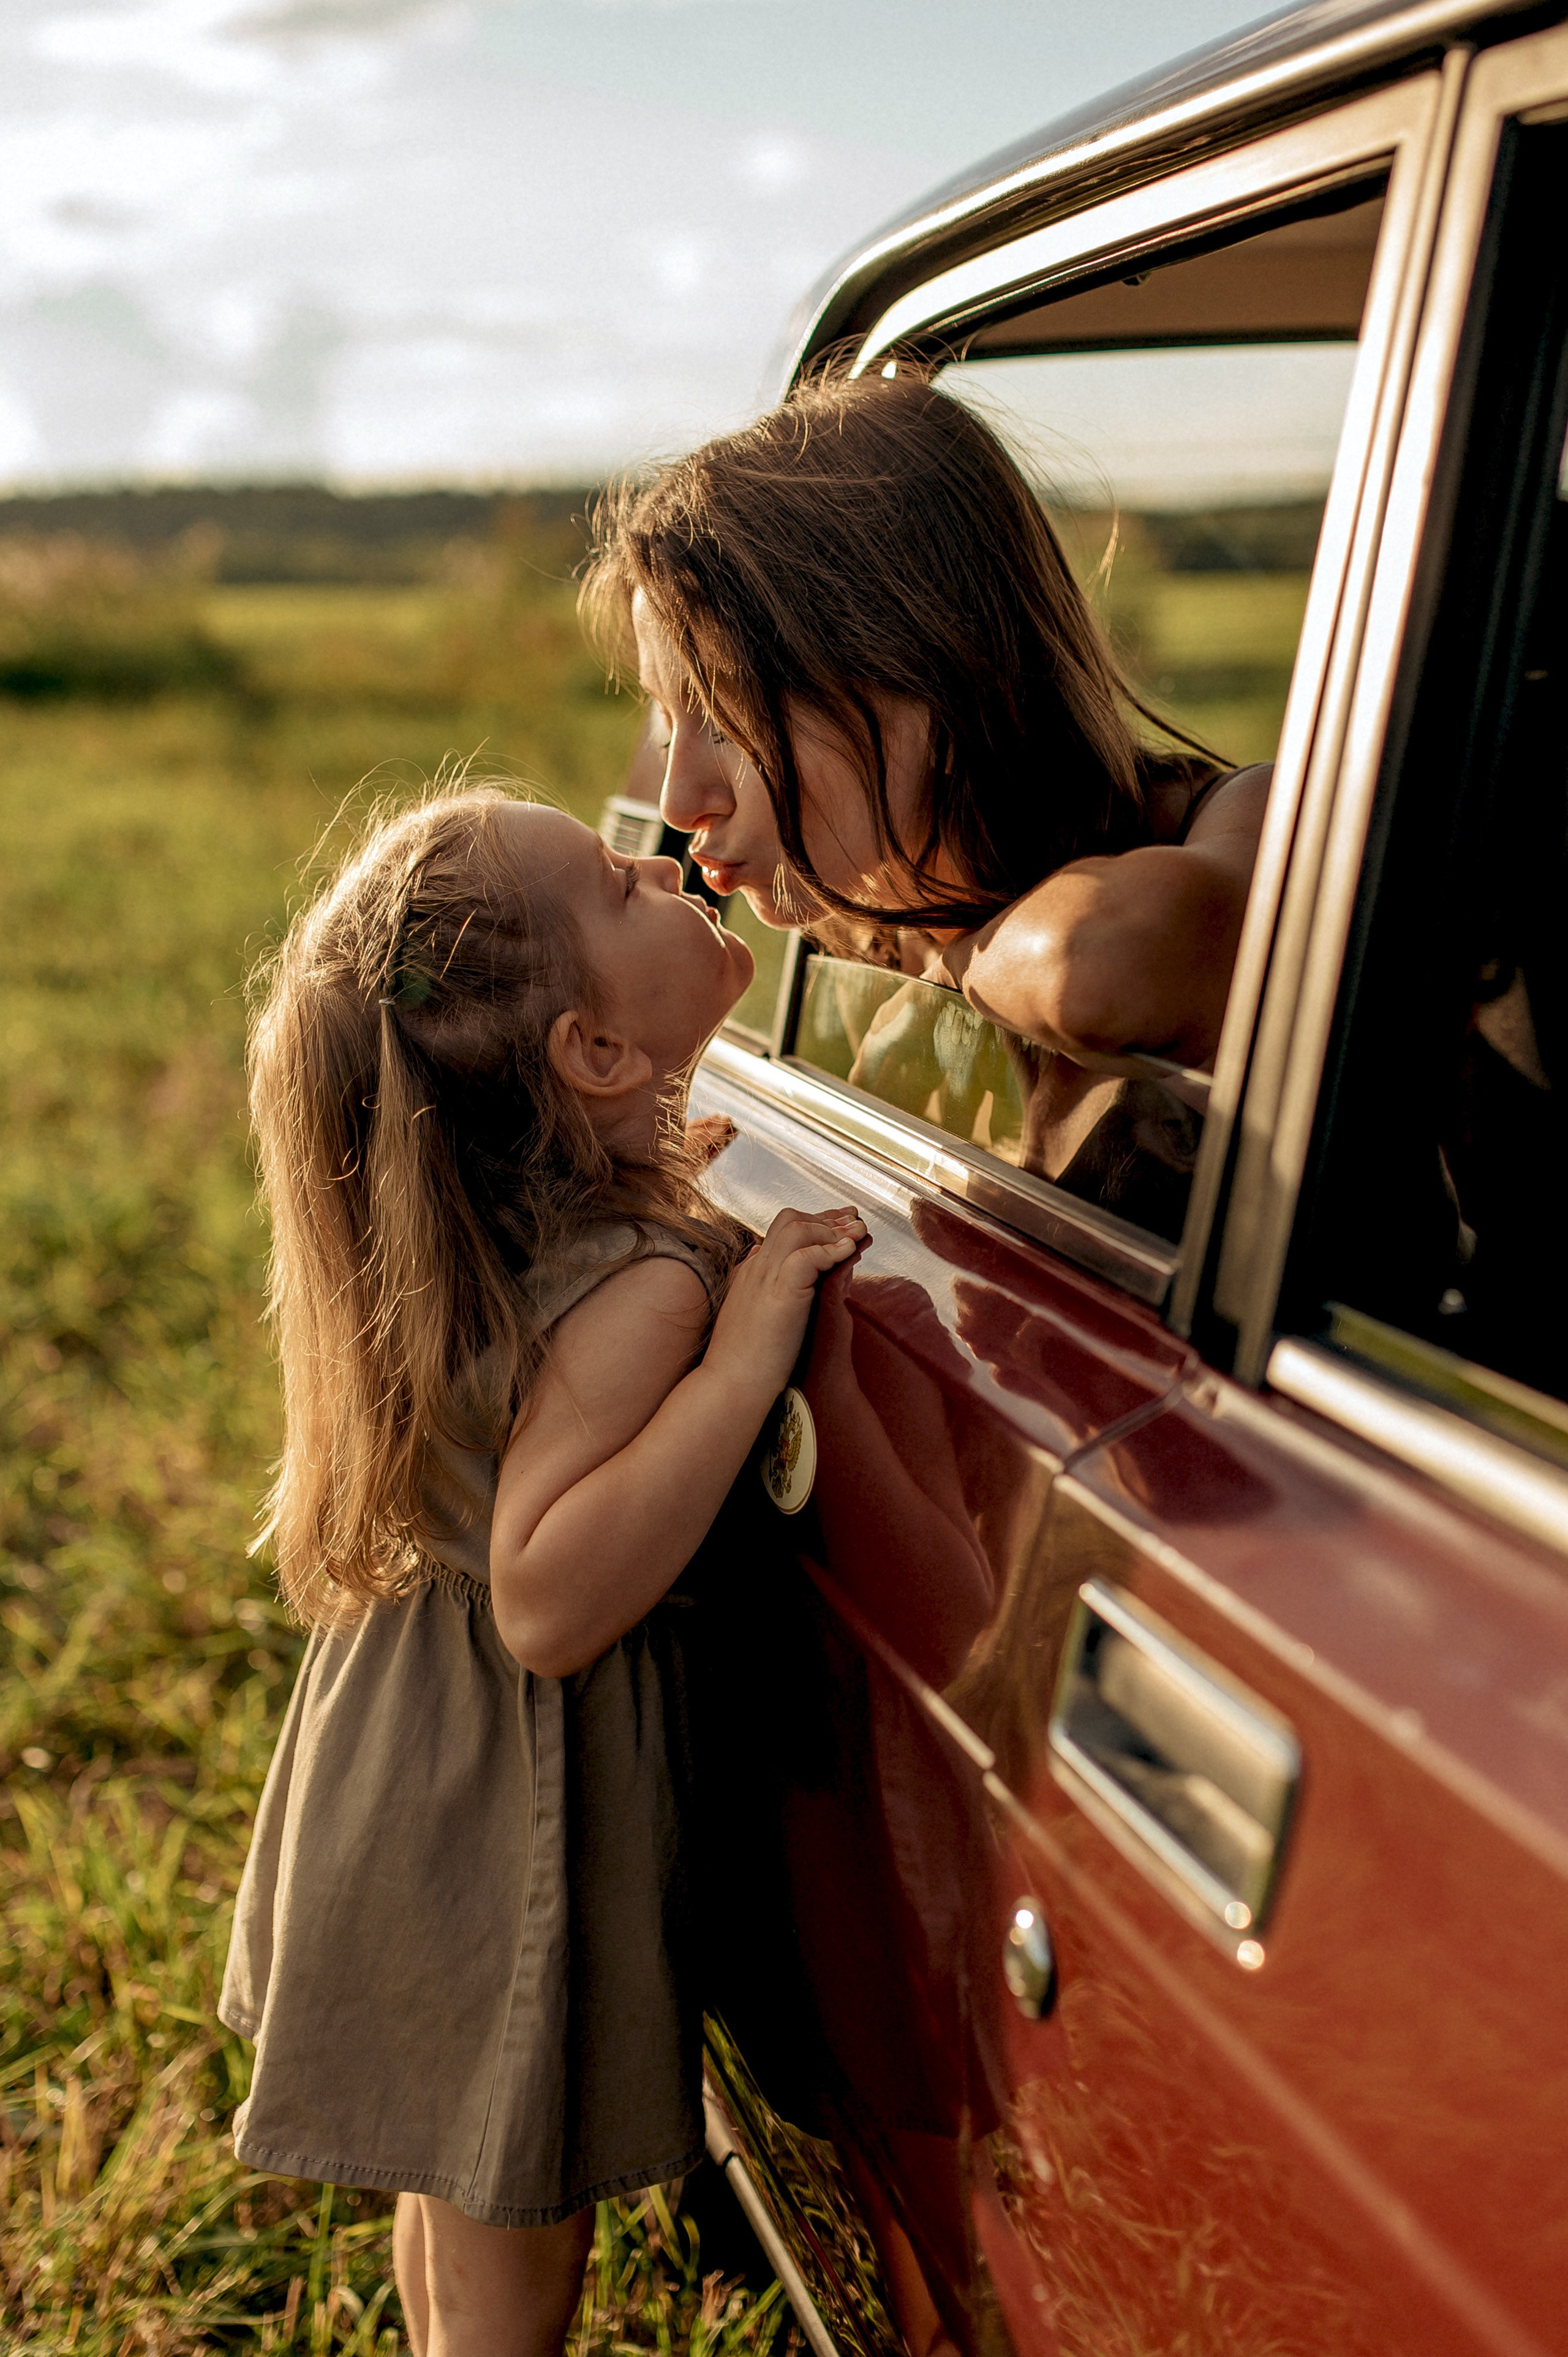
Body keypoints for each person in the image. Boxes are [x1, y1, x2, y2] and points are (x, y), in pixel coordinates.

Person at [219, 783, 865, 2357]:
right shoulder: (643, 1288)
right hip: (512, 1800)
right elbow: (549, 1598)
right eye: (617, 881)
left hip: (405, 1753)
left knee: (449, 2191)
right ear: (590, 1053)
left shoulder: (488, 1225)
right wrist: (738, 1356)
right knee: (516, 2237)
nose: (656, 856)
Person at [584, 366, 1270, 1230]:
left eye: (727, 715)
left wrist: (948, 964)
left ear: (923, 691)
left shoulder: (1236, 821)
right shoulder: (858, 898)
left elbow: (1095, 966)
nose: (685, 800)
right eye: (663, 723)